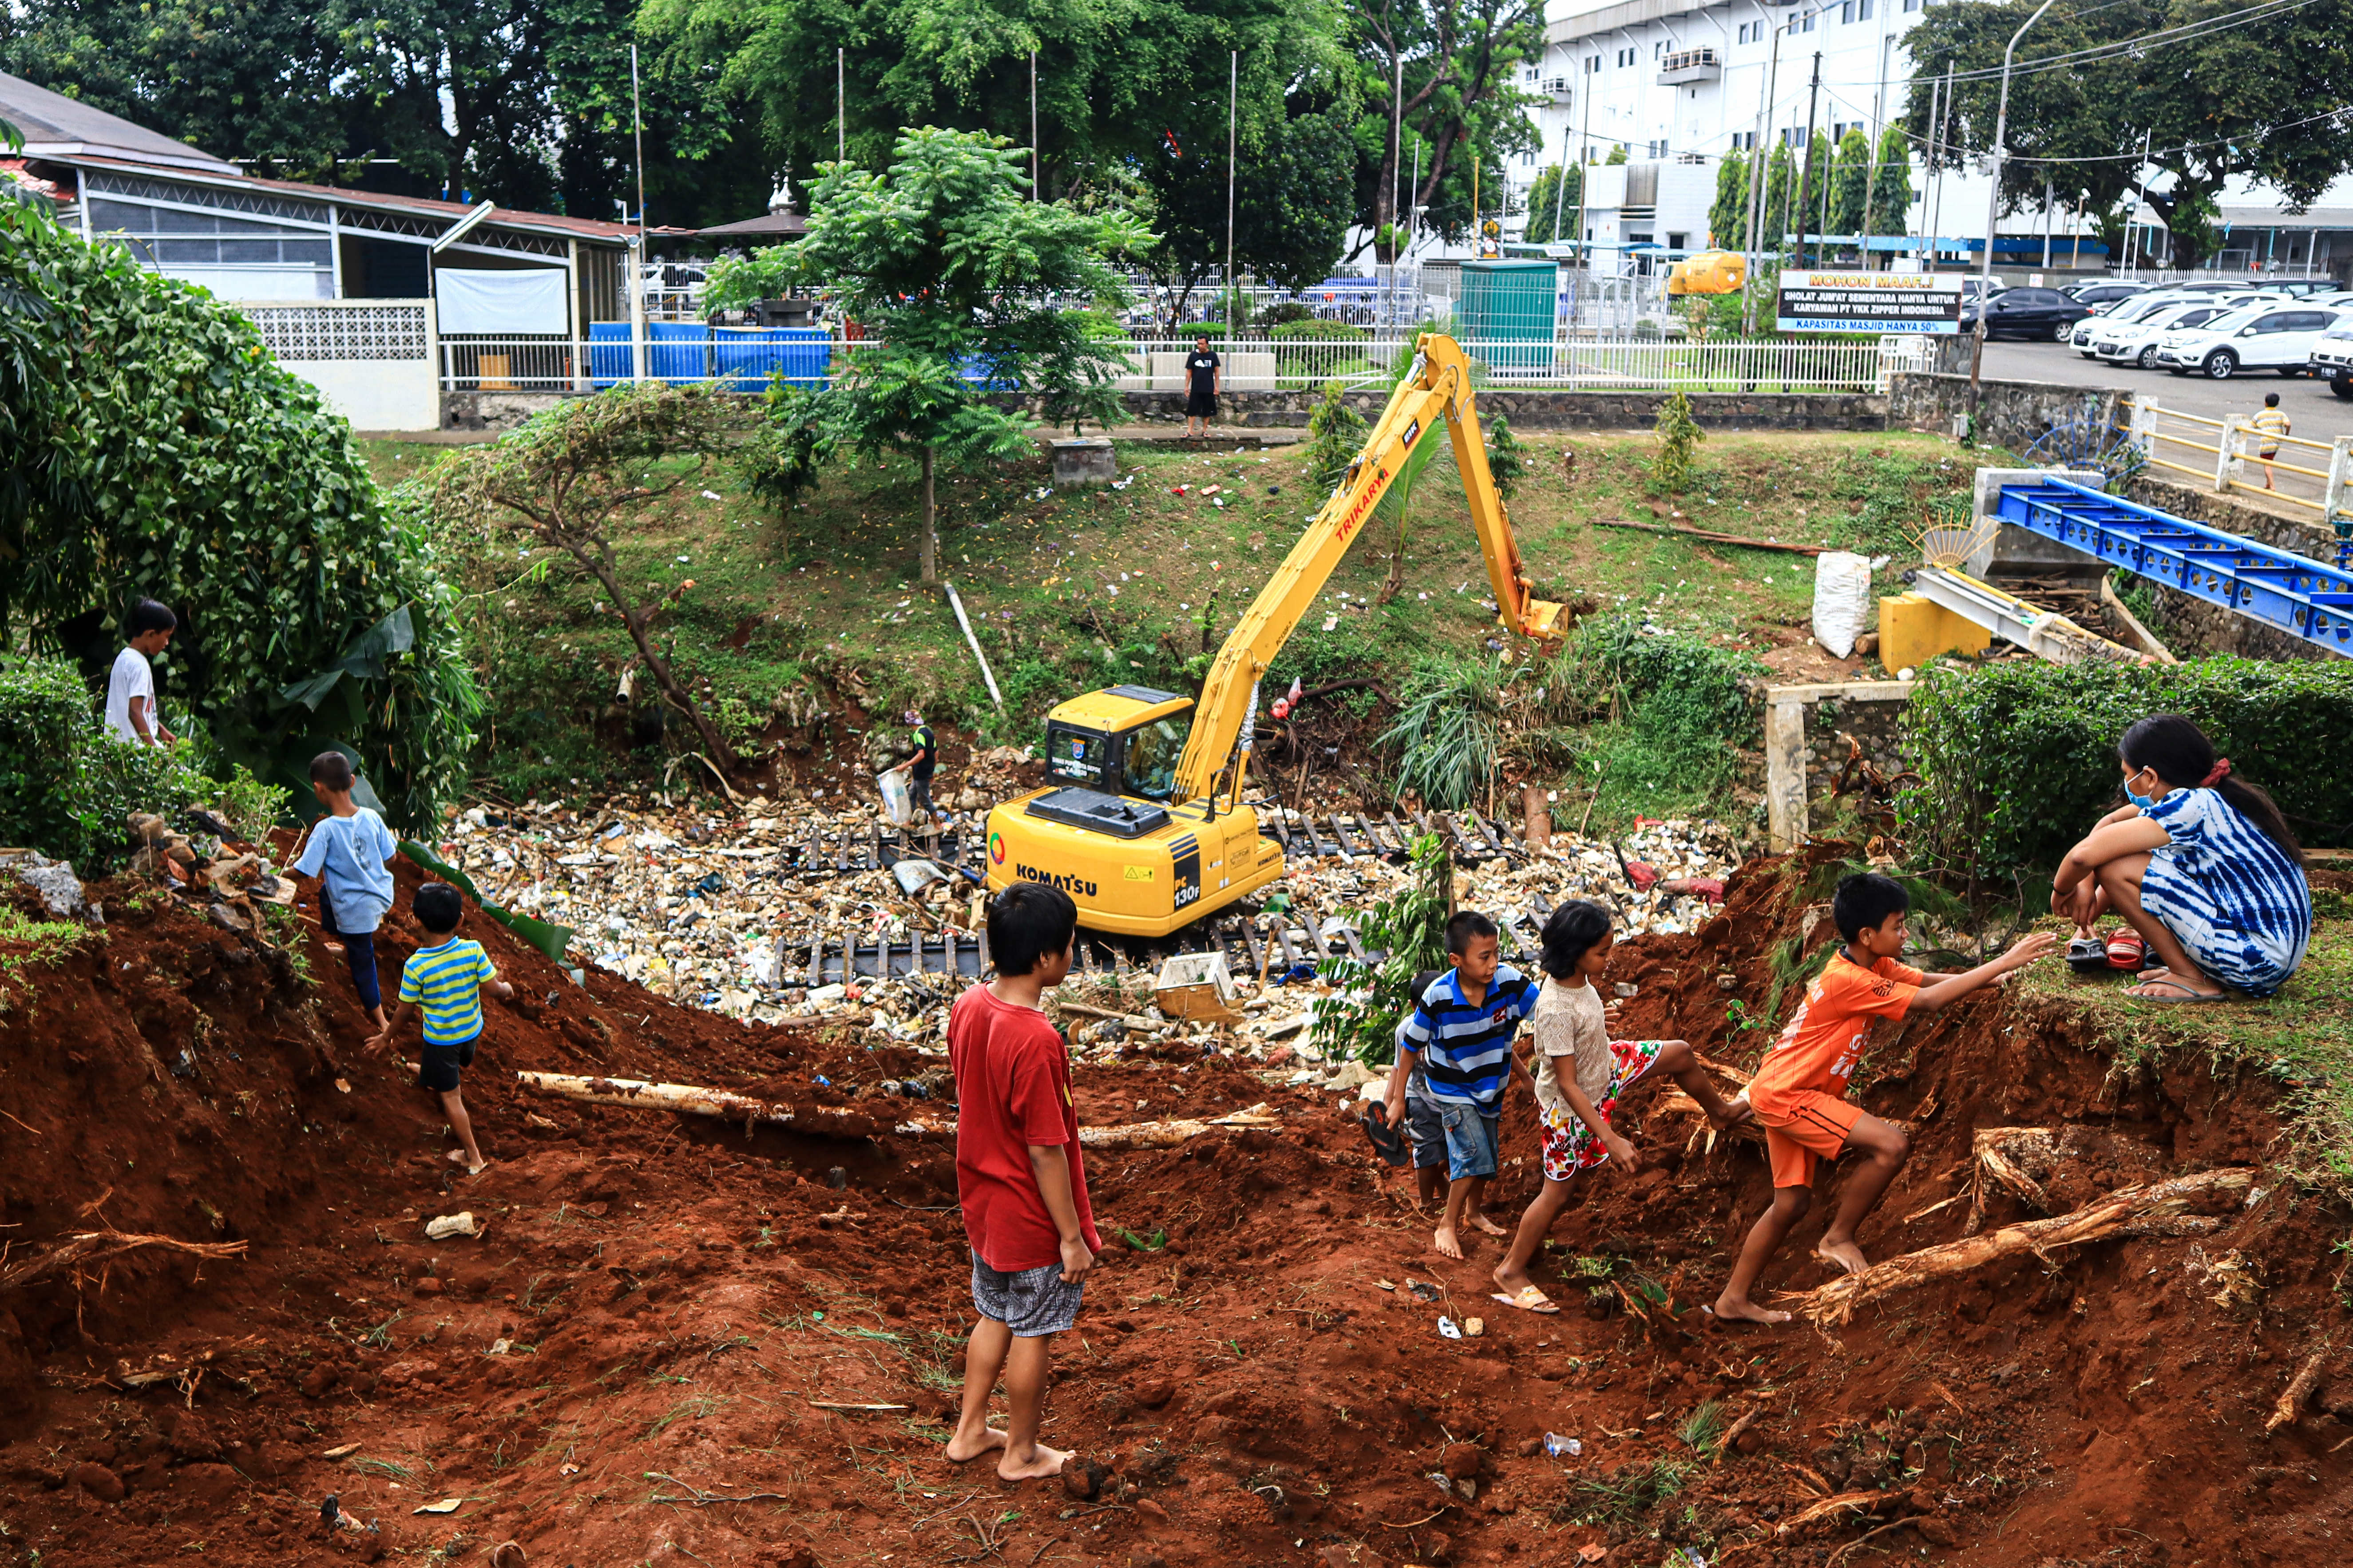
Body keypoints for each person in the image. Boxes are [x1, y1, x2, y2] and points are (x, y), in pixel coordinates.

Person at [1712, 873, 2055, 1325]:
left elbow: (1927, 981)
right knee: (1891, 1144)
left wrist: (1996, 977)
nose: (1905, 932)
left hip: (1781, 1087)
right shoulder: (1846, 980)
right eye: (1898, 925)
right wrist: (2001, 961)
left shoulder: (1872, 965)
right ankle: (1837, 1237)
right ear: (1867, 935)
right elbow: (1930, 1002)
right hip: (1789, 1094)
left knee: (1792, 1203)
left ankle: (1731, 1299)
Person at [1492, 902, 1752, 1313]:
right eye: (1602, 953)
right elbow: (1566, 1084)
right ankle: (1510, 1269)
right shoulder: (1556, 1007)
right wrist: (1610, 1138)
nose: (1609, 961)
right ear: (1575, 953)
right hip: (1570, 1109)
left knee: (1680, 1054)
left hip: (1607, 1067)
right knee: (1557, 1193)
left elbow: (1585, 1032)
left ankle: (1719, 1112)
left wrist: (1599, 1027)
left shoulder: (1579, 984)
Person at [944, 883, 1099, 1482]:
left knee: (996, 1313)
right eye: (1069, 946)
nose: (1071, 953)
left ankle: (971, 1431)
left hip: (982, 1201)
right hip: (1028, 1214)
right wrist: (1070, 1235)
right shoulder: (1037, 1041)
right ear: (1044, 959)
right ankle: (1022, 1453)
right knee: (1035, 1330)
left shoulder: (969, 1007)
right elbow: (1044, 1148)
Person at [2051, 713, 2310, 1002]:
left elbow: (2083, 857)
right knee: (2124, 854)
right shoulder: (2213, 796)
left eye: (2127, 774)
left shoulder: (2190, 806)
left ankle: (2190, 977)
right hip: (2270, 960)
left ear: (2149, 777)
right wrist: (2086, 900)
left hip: (2253, 961)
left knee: (2116, 865)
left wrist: (2061, 892)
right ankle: (2191, 970)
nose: (2126, 783)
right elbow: (2109, 827)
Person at [1384, 912, 1541, 1260]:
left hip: (1491, 1087)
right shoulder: (1438, 995)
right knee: (1475, 1154)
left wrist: (1580, 1013)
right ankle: (1447, 1223)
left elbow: (1545, 1009)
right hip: (1452, 1088)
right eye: (1484, 957)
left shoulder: (1509, 983)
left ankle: (1473, 1212)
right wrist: (1397, 1100)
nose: (1493, 963)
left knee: (1487, 1157)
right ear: (1457, 960)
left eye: (1496, 953)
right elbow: (1410, 1048)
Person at [364, 882, 511, 1176]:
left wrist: (385, 1037)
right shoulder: (473, 951)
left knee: (451, 1097)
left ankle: (473, 1156)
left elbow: (405, 1012)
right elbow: (495, 989)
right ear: (460, 921)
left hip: (442, 1040)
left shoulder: (417, 966)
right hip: (471, 1030)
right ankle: (433, 1074)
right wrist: (508, 988)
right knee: (444, 1067)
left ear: (415, 921)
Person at [292, 752, 400, 1035]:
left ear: (318, 789)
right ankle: (348, 946)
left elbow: (305, 872)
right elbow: (392, 858)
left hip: (356, 910)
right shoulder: (372, 817)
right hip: (380, 896)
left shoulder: (325, 829)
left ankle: (381, 1020)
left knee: (363, 964)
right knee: (327, 895)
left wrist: (276, 875)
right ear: (352, 781)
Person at [104, 599, 179, 748]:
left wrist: (160, 729)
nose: (167, 643)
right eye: (166, 637)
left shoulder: (124, 658)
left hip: (117, 748)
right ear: (151, 634)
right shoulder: (139, 665)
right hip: (135, 752)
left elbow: (137, 708)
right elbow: (134, 711)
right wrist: (153, 750)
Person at [885, 710, 939, 830]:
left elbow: (921, 755)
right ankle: (907, 823)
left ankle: (938, 825)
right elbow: (936, 753)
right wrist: (932, 770)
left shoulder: (918, 734)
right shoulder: (929, 732)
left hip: (921, 771)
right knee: (912, 795)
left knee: (925, 799)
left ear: (910, 723)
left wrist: (905, 766)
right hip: (925, 771)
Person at [1182, 335, 1221, 440]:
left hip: (1208, 387)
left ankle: (1204, 430)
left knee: (1207, 410)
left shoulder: (1213, 355)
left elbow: (1217, 372)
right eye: (1199, 344)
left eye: (1202, 344)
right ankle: (1189, 430)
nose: (1200, 346)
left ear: (1207, 344)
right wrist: (1187, 386)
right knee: (1192, 409)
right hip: (1196, 387)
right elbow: (1189, 372)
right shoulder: (1193, 356)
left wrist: (1217, 387)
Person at [2251, 392, 2290, 491]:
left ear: (2266, 403)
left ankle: (2272, 486)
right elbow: (2288, 424)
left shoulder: (2260, 415)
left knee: (2267, 464)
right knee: (2270, 460)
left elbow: (2250, 426)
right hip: (2277, 441)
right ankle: (2268, 483)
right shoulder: (2281, 414)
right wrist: (2287, 434)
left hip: (2266, 441)